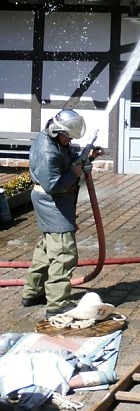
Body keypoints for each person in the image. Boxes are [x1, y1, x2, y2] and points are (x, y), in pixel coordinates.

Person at [21, 110, 103, 318]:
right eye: (68, 137)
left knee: (47, 248)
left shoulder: (54, 140)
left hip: (53, 203)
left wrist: (87, 156)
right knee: (64, 253)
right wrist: (75, 173)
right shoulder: (48, 151)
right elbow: (53, 185)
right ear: (57, 131)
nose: (69, 141)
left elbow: (66, 159)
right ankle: (57, 304)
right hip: (52, 202)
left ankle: (33, 293)